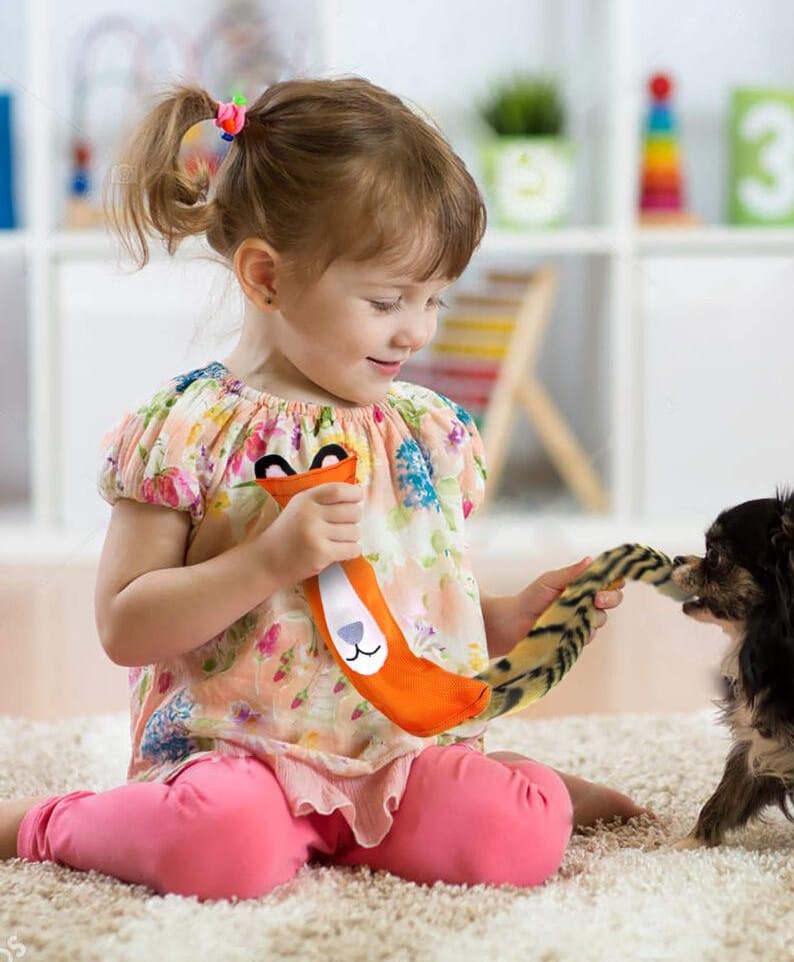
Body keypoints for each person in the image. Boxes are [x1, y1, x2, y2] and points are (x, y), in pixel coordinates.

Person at [0, 76, 656, 901]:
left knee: (515, 837)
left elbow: (403, 616)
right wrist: (266, 562)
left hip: (392, 754)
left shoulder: (424, 433)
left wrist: (506, 619)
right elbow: (125, 625)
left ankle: (510, 785)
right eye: (387, 300)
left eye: (433, 300)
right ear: (266, 277)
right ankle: (49, 821)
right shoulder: (188, 431)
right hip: (242, 765)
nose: (416, 329)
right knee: (222, 851)